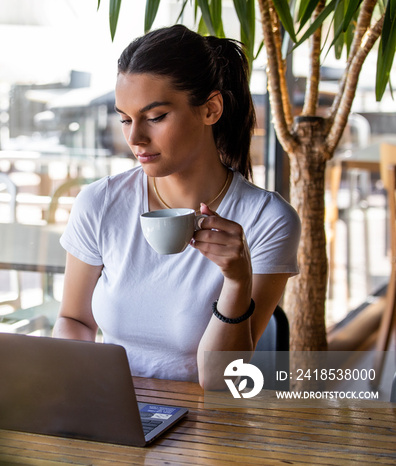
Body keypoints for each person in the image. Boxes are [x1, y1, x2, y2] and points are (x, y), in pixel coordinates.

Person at [52, 25, 300, 388]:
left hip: (205, 425)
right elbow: (75, 320)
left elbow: (219, 381)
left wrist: (236, 280)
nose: (134, 138)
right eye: (125, 118)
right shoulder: (100, 203)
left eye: (155, 117)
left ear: (210, 109)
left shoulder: (267, 221)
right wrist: (79, 385)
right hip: (111, 410)